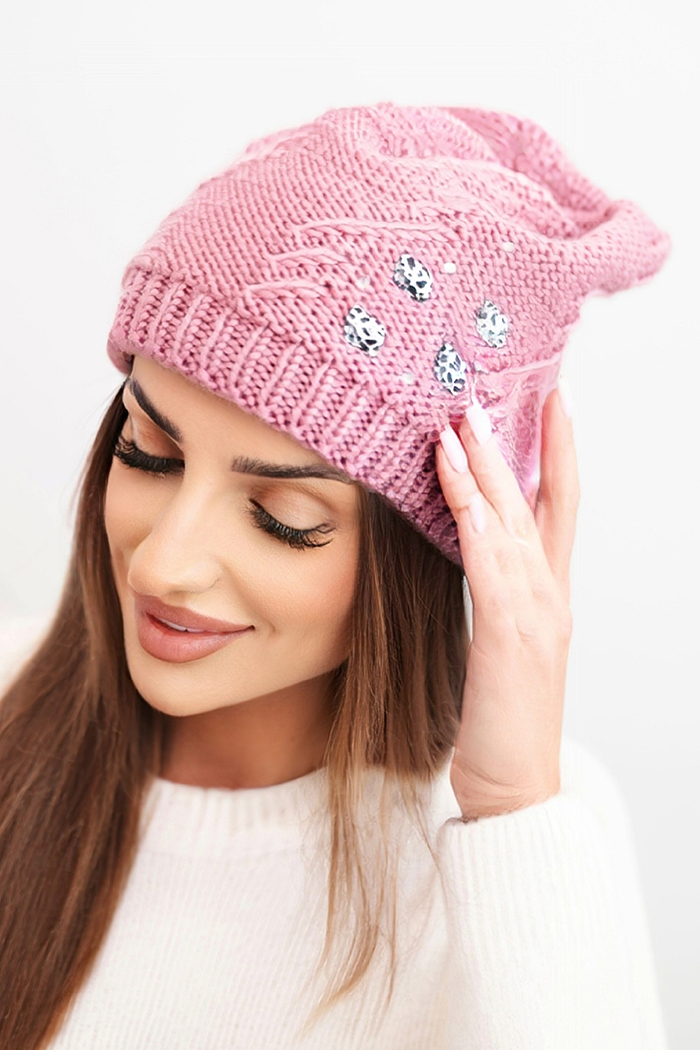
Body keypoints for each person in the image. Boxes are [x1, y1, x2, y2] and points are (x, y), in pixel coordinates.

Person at [0, 103, 671, 1049]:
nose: (162, 562)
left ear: (428, 555)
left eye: (284, 518)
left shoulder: (534, 835)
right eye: (148, 453)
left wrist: (512, 812)